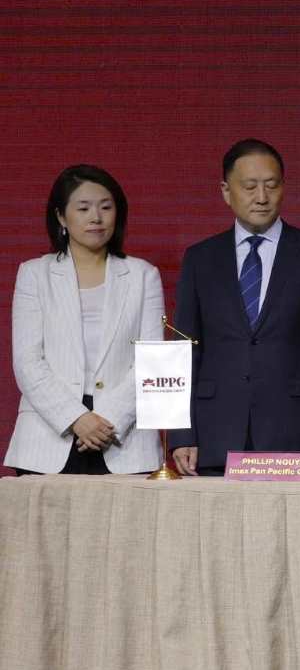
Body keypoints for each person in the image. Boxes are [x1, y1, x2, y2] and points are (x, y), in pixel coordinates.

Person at [168, 139, 300, 475]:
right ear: (225, 190)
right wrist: (182, 434)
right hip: (214, 430)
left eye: (271, 185)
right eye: (249, 186)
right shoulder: (200, 259)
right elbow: (185, 350)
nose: (261, 197)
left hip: (295, 431)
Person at [6, 165, 164, 475]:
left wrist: (108, 421)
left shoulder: (143, 275)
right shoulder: (34, 274)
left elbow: (152, 360)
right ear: (61, 217)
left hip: (123, 438)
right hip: (47, 438)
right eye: (83, 208)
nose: (96, 217)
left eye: (106, 207)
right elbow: (27, 361)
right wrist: (76, 418)